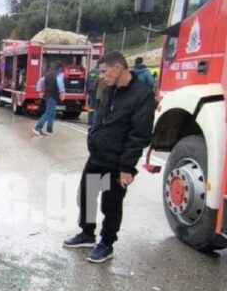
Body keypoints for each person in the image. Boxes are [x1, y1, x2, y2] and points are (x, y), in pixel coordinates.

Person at [63, 51, 155, 263]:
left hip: (118, 160)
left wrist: (126, 167)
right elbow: (101, 118)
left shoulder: (142, 95)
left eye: (105, 72)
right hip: (97, 155)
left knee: (111, 204)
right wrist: (93, 137)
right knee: (86, 195)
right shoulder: (109, 90)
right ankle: (87, 234)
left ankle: (106, 244)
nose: (102, 76)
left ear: (118, 68)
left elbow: (139, 135)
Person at [32, 61, 65, 136]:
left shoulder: (48, 74)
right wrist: (62, 92)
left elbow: (40, 82)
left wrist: (40, 91)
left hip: (47, 95)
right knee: (49, 112)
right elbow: (60, 82)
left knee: (52, 113)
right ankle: (37, 128)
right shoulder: (59, 74)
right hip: (53, 95)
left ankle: (49, 130)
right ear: (60, 68)